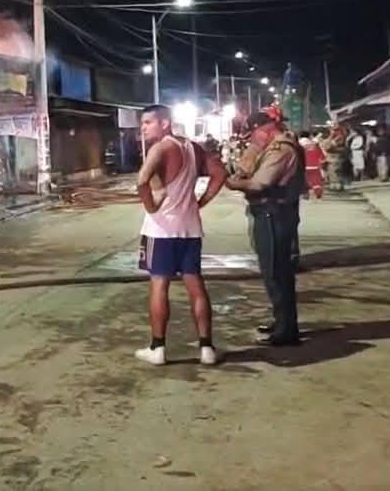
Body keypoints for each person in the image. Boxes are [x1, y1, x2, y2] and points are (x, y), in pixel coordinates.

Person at [134, 105, 227, 366]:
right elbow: (220, 174)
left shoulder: (162, 147)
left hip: (161, 230)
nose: (143, 127)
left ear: (165, 123)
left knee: (159, 286)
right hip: (190, 229)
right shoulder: (194, 147)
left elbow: (142, 180)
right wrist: (201, 202)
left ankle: (158, 348)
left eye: (148, 122)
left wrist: (151, 206)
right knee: (196, 287)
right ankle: (207, 348)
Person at [226, 111, 305, 346]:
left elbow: (260, 183)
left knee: (276, 272)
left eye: (254, 135)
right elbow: (246, 169)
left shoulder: (281, 149)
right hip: (272, 212)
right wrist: (251, 153)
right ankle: (282, 320)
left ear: (266, 129)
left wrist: (231, 184)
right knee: (276, 271)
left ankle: (286, 329)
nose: (253, 140)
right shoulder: (271, 148)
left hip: (274, 214)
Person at [298, 132, 325, 200]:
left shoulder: (298, 145)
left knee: (304, 181)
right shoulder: (314, 144)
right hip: (315, 166)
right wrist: (322, 160)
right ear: (309, 136)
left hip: (304, 166)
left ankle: (305, 194)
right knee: (316, 181)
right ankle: (318, 192)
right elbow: (321, 154)